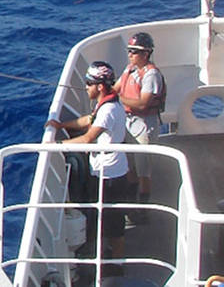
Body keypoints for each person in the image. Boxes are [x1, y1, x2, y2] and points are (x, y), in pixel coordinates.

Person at [45, 61, 129, 273]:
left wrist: (56, 145)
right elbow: (87, 121)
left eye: (89, 83)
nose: (86, 87)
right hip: (104, 169)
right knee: (104, 217)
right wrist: (61, 125)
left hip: (111, 173)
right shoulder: (106, 105)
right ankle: (106, 257)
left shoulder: (108, 110)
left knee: (113, 222)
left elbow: (88, 138)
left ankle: (117, 266)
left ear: (100, 86)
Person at [116, 32, 165, 219]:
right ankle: (131, 204)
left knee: (144, 170)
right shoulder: (129, 70)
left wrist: (119, 100)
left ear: (145, 54)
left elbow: (144, 102)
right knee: (130, 166)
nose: (130, 54)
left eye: (134, 51)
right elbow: (116, 88)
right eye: (129, 51)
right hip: (129, 122)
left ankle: (143, 209)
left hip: (144, 125)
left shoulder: (151, 75)